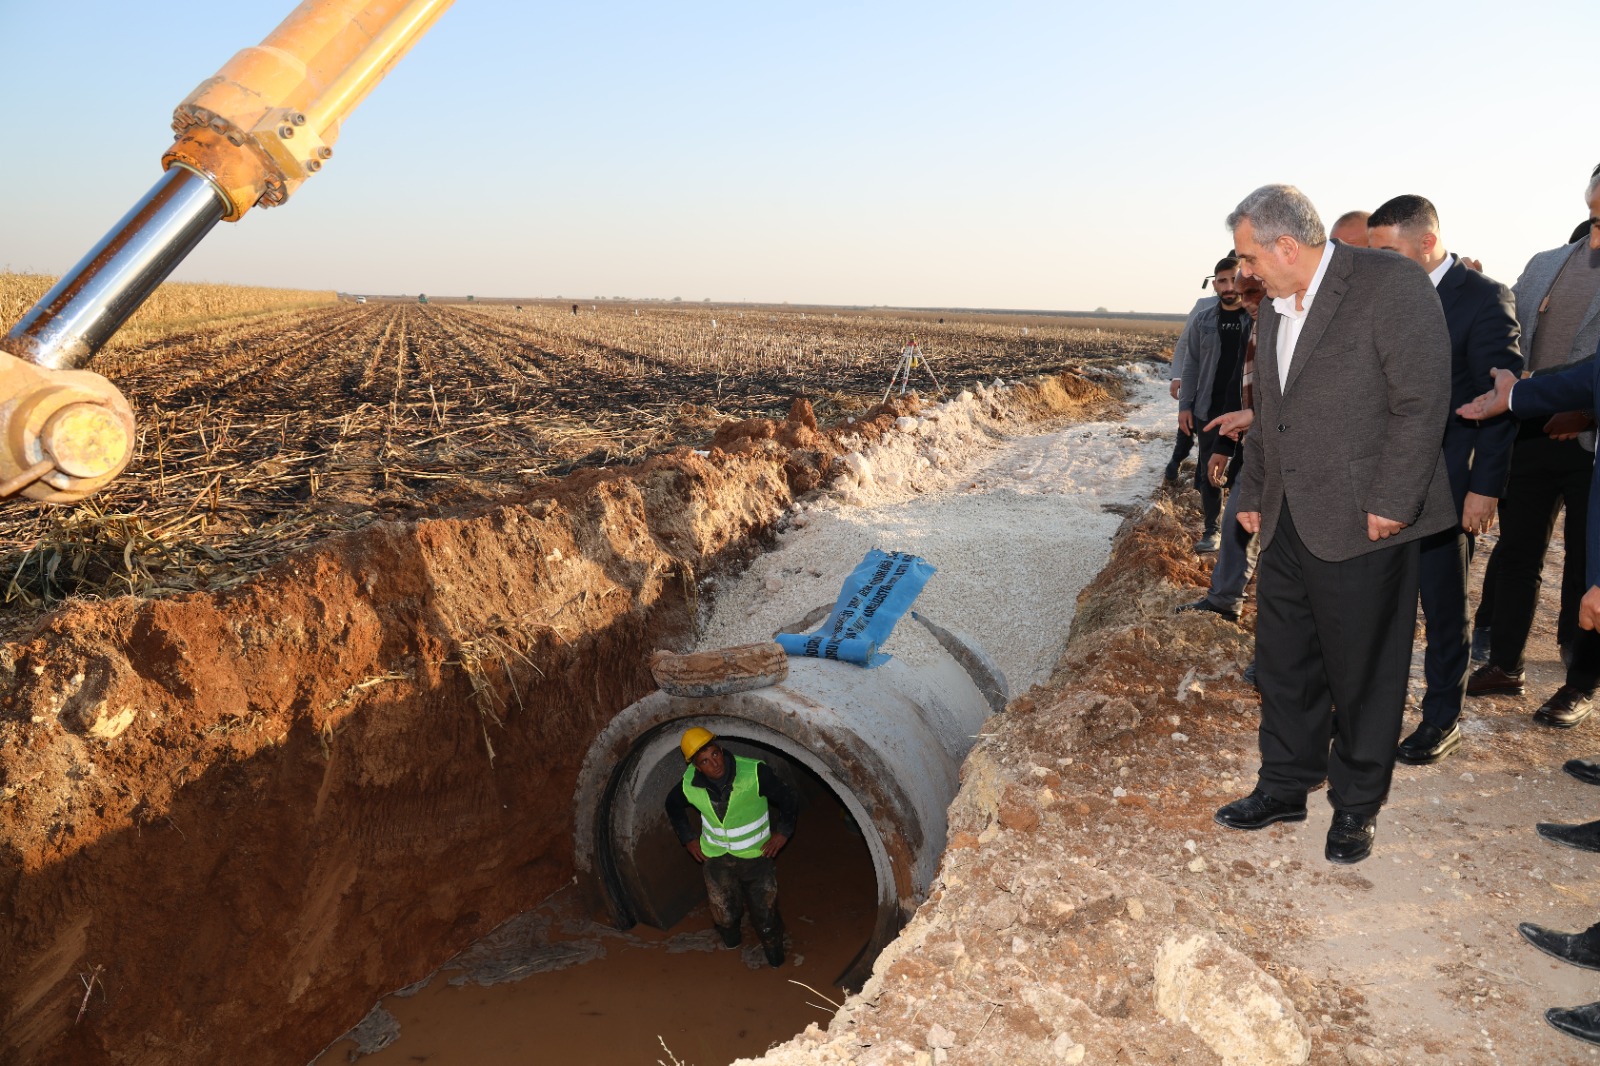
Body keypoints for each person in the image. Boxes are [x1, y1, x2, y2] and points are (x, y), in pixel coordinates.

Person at [1212, 184, 1454, 865]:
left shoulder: (1388, 284)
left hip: (1363, 519)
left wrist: (1394, 499)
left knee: (1363, 670)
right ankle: (1286, 784)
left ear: (1287, 246)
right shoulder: (1274, 309)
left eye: (1250, 257)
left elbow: (1422, 399)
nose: (1246, 272)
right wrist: (1255, 491)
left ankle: (1355, 806)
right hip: (1289, 517)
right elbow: (1272, 416)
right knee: (1284, 663)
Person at [1364, 195, 1523, 764]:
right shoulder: (1379, 294)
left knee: (1443, 605)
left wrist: (1486, 487)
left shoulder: (1483, 299)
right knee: (1382, 602)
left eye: (1387, 250)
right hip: (1381, 480)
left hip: (1448, 482)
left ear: (1426, 244)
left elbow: (1500, 396)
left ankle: (1441, 719)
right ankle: (1372, 711)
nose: (1375, 261)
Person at [1467, 166, 1600, 728]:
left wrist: (1585, 411)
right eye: (1591, 213)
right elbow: (1513, 330)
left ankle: (1580, 680)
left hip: (1589, 440)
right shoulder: (1546, 264)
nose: (1593, 232)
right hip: (1529, 429)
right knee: (1518, 550)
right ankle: (1505, 664)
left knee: (1588, 562)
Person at [664, 727, 798, 967]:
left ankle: (775, 958)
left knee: (765, 912)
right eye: (704, 761)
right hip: (716, 859)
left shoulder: (755, 772)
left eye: (715, 754)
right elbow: (672, 805)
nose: (714, 764)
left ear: (721, 750)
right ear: (696, 766)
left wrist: (783, 832)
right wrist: (688, 838)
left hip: (756, 856)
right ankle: (732, 945)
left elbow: (787, 798)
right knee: (724, 912)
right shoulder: (689, 784)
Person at [1176, 272, 1266, 621]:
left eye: (1252, 292)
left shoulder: (1296, 325)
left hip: (1294, 448)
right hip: (1250, 438)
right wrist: (1226, 447)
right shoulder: (1249, 326)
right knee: (1237, 520)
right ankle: (1225, 601)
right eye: (1240, 293)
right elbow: (1236, 387)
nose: (1244, 301)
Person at [1175, 257, 1251, 552]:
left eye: (1233, 279)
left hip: (1247, 410)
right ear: (1215, 283)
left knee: (1244, 470)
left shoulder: (1256, 318)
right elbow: (1191, 364)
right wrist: (1185, 406)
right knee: (1210, 471)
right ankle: (1212, 530)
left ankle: (1243, 531)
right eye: (1222, 281)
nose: (1228, 287)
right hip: (1209, 409)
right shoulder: (1203, 320)